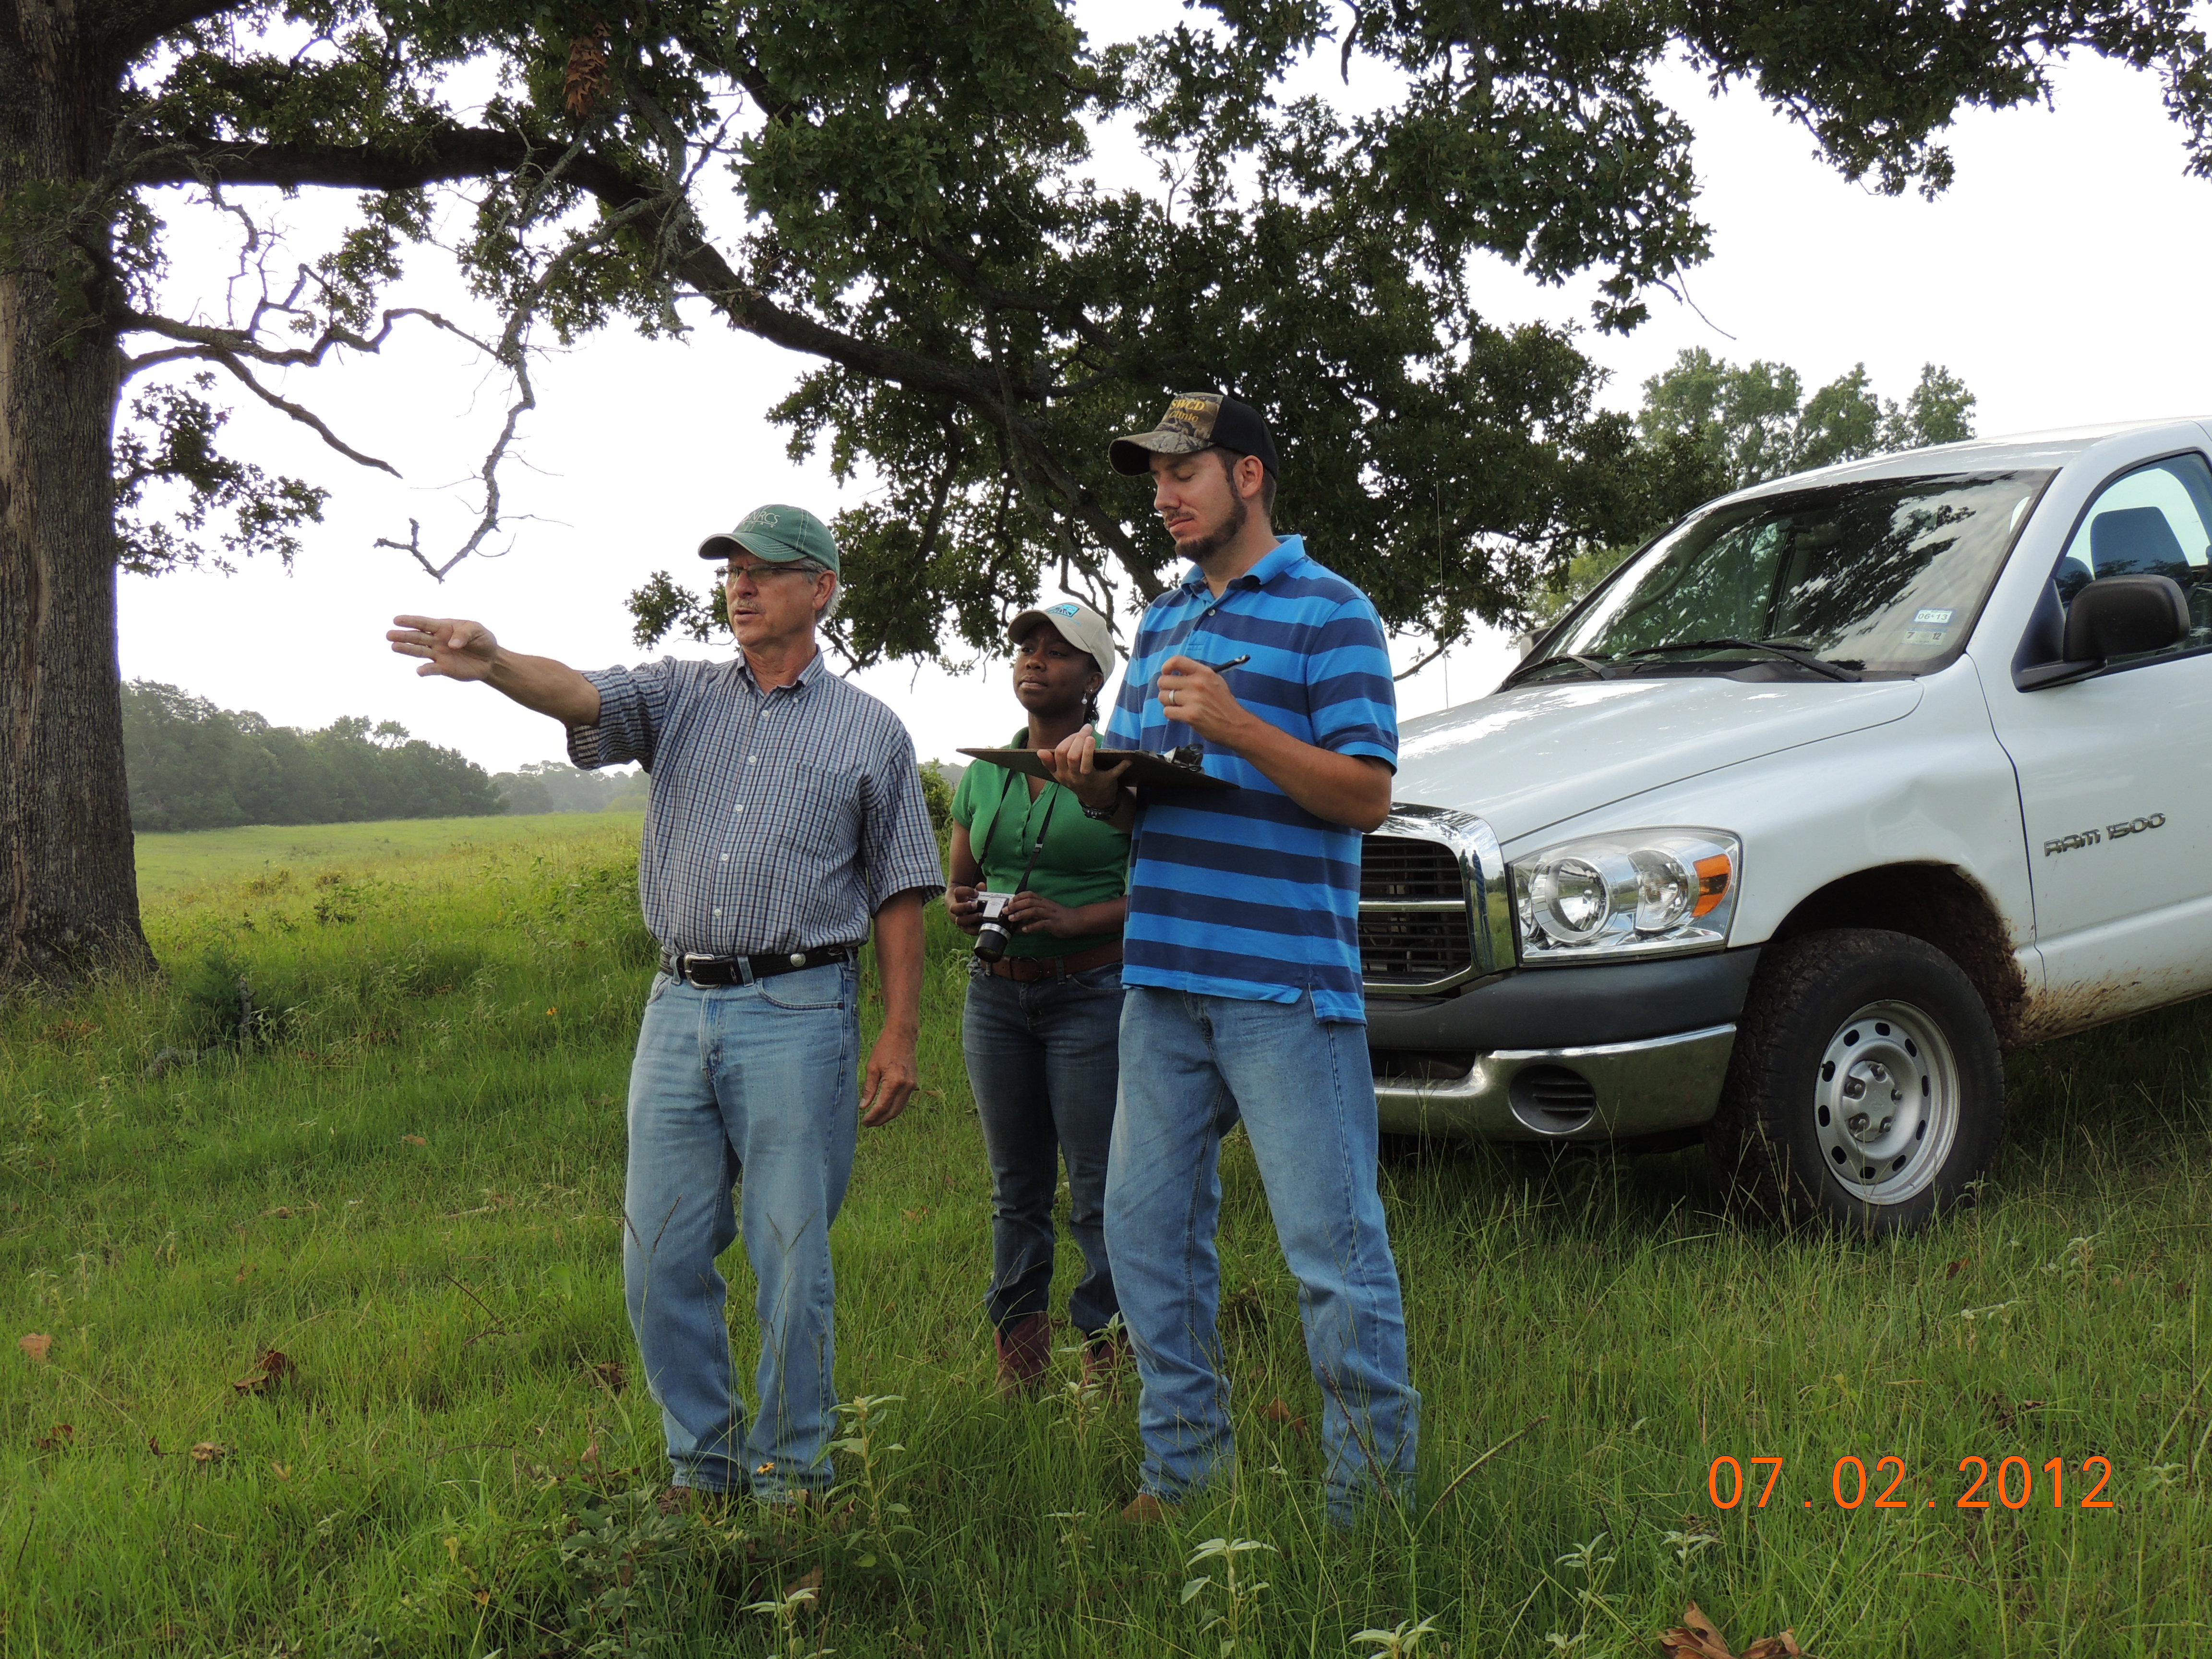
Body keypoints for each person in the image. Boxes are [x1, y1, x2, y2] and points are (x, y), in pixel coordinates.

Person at [385, 504, 943, 1508]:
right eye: (731, 570)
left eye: (764, 570)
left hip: (802, 1009)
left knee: (791, 1259)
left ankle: (793, 1479)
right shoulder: (681, 694)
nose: (740, 585)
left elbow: (901, 891)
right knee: (658, 1255)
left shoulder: (871, 730)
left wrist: (900, 1034)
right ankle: (705, 1463)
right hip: (678, 1008)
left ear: (821, 589)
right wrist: (497, 661)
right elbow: (582, 692)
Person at [1043, 392, 1419, 1524]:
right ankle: (1184, 1477)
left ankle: (1370, 1513)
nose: (1163, 496)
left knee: (1332, 1253)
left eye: (1184, 472)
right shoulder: (1160, 623)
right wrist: (1096, 783)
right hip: (1162, 978)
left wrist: (1239, 725)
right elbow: (1144, 805)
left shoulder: (1333, 612)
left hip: (1284, 986)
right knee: (1145, 1238)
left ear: (1247, 475)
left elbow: (1366, 796)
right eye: (1155, 478)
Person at [945, 600, 1133, 1396]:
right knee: (1015, 1190)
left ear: (1093, 679)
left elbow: (1163, 890)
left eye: (1059, 652)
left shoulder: (1123, 769)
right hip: (997, 998)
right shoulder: (987, 770)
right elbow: (962, 876)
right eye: (1027, 647)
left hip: (1092, 992)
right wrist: (962, 905)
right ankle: (1019, 1367)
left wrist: (1074, 919)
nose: (1035, 660)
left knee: (1097, 1191)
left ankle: (1107, 1362)